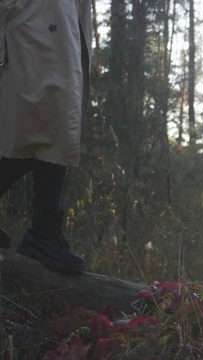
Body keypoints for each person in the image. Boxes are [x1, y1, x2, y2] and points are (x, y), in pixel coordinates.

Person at [0, 0, 92, 272]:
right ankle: (42, 233)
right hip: (34, 14)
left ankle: (42, 231)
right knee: (44, 118)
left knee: (56, 119)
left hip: (58, 13)